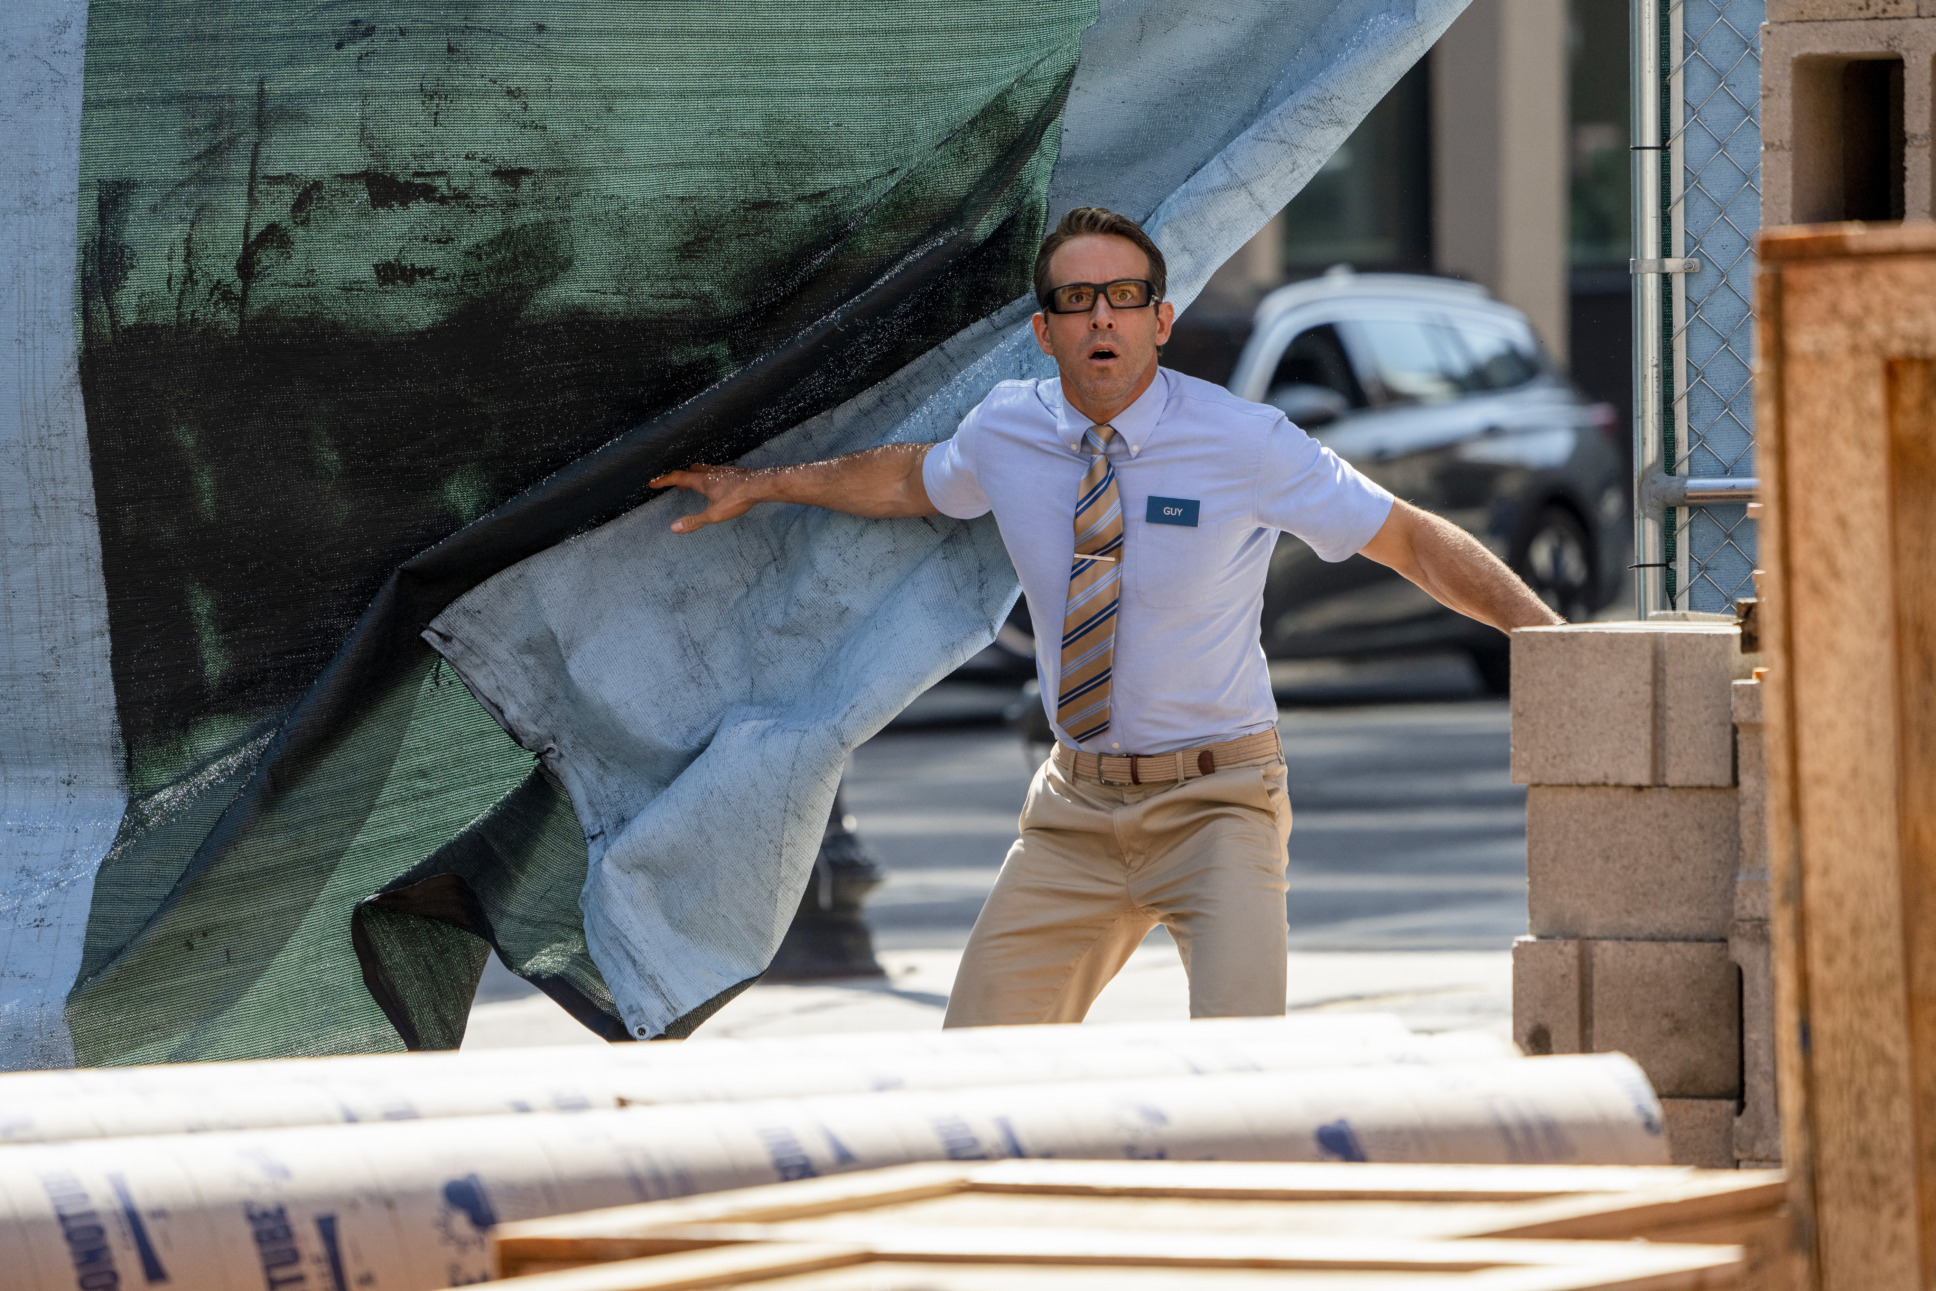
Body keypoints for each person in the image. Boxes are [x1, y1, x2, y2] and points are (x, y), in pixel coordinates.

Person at [652, 206, 1563, 1027]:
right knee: (973, 1072)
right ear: (1044, 331)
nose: (1101, 318)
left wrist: (1553, 644)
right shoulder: (1007, 430)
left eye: (1124, 297)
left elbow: (1409, 539)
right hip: (1074, 810)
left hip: (1219, 802)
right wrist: (764, 483)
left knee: (1243, 1076)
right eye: (1077, 300)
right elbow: (906, 480)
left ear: (1159, 321)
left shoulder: (1244, 442)